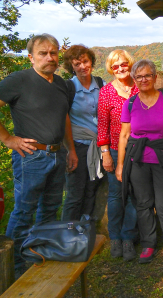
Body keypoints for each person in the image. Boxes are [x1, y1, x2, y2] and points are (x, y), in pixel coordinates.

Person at [0, 33, 78, 277]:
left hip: (57, 154)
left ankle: (39, 258)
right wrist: (8, 139)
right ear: (31, 57)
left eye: (53, 53)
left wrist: (70, 149)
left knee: (50, 209)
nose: (49, 57)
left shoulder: (62, 84)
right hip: (31, 156)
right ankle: (14, 269)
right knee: (23, 212)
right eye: (43, 53)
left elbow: (64, 118)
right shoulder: (19, 80)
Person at [116, 59, 163, 264]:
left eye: (147, 75)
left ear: (155, 77)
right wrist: (120, 165)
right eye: (139, 77)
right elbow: (124, 136)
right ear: (134, 80)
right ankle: (148, 244)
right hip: (138, 159)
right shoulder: (130, 103)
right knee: (143, 203)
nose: (143, 79)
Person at [97, 50, 139, 261]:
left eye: (124, 64)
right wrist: (105, 153)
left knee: (133, 194)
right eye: (116, 66)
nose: (121, 68)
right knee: (115, 195)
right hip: (115, 149)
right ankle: (115, 238)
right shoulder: (106, 92)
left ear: (130, 64)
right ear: (111, 69)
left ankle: (128, 238)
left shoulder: (139, 87)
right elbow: (102, 126)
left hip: (139, 149)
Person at [61, 45, 105, 222]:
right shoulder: (68, 88)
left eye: (85, 61)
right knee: (74, 194)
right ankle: (66, 236)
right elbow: (63, 120)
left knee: (91, 190)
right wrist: (69, 150)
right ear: (71, 66)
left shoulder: (101, 84)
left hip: (98, 146)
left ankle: (84, 233)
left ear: (91, 62)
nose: (82, 66)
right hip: (77, 146)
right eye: (77, 63)